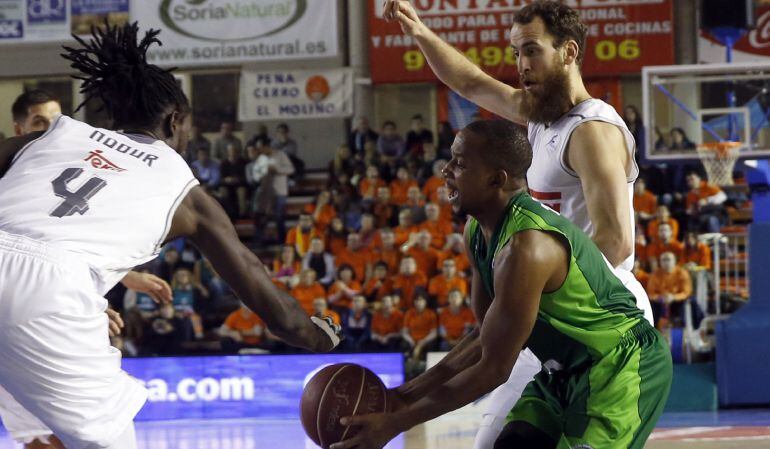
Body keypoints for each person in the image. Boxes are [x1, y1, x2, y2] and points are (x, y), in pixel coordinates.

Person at [0, 23, 340, 449]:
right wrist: (314, 334)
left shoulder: (59, 132)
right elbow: (259, 287)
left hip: (42, 279)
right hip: (50, 293)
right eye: (190, 127)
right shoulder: (184, 190)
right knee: (108, 442)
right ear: (175, 119)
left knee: (36, 431)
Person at [380, 3, 654, 446]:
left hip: (599, 315)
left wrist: (539, 284)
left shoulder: (592, 130)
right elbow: (470, 82)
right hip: (548, 305)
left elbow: (616, 242)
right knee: (492, 442)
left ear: (568, 52)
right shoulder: (539, 116)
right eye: (515, 53)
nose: (521, 65)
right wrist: (419, 31)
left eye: (532, 50)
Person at [331, 121, 670, 449]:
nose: (446, 170)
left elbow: (494, 368)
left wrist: (396, 423)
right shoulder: (477, 232)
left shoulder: (527, 248)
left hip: (621, 366)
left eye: (460, 163)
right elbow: (484, 335)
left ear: (496, 179)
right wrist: (399, 397)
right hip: (566, 372)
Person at [2, 88, 174, 449]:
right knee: (56, 435)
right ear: (19, 128)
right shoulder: (14, 164)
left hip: (39, 298)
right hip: (22, 301)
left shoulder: (59, 159)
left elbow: (54, 241)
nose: (50, 127)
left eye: (55, 119)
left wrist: (122, 279)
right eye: (39, 122)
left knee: (49, 435)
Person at [252, 137, 294, 246]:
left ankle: (282, 241)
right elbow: (256, 175)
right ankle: (260, 241)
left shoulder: (280, 155)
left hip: (280, 190)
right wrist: (264, 174)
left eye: (261, 148)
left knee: (279, 216)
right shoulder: (260, 158)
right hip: (265, 193)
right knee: (261, 217)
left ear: (267, 146)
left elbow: (291, 169)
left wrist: (277, 170)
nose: (260, 150)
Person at [647, 252, 694, 329]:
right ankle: (653, 329)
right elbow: (651, 293)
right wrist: (660, 298)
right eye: (663, 260)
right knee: (651, 306)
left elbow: (686, 292)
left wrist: (674, 297)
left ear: (674, 261)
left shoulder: (682, 273)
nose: (666, 262)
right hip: (661, 301)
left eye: (668, 259)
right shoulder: (655, 274)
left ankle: (683, 330)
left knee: (686, 303)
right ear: (660, 262)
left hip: (677, 300)